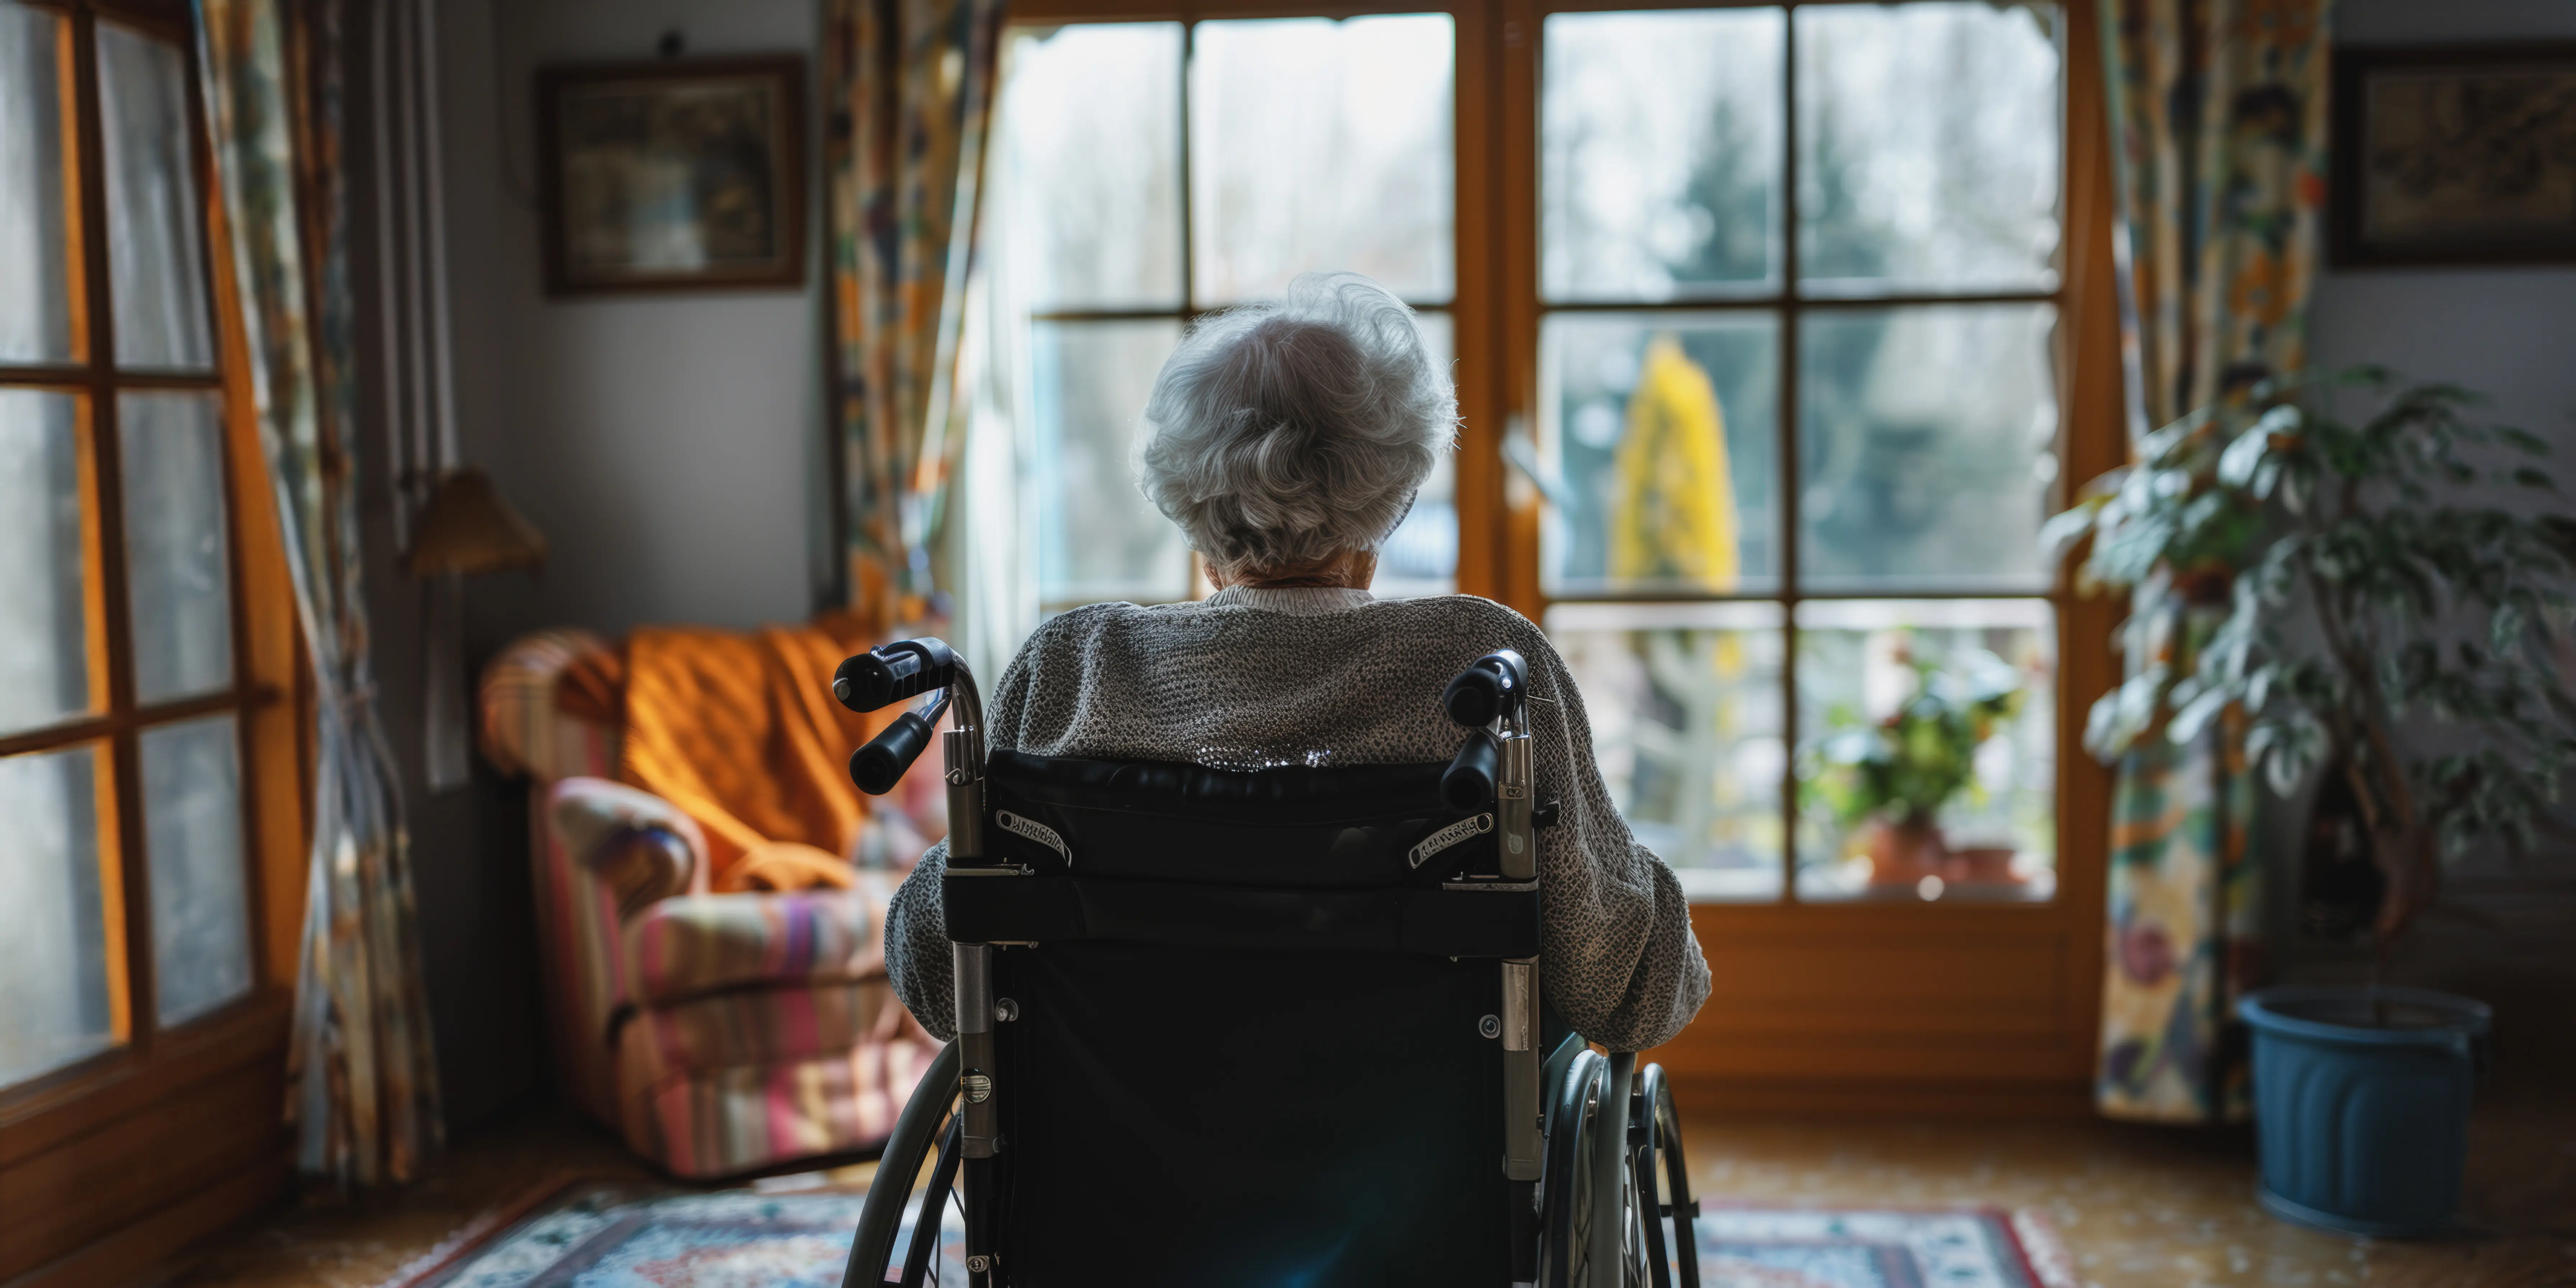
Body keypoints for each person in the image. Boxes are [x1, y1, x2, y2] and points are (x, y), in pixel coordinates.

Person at [884, 271, 1709, 1052]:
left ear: (1185, 494)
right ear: (1392, 495)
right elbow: (1625, 991)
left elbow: (936, 978)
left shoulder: (1076, 664)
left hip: (1117, 1138)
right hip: (1416, 1140)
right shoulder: (1480, 665)